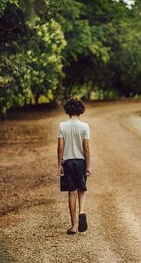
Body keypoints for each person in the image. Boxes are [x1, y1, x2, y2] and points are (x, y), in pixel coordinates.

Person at [57, 98, 91, 235]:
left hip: (68, 162)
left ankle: (73, 226)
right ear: (80, 111)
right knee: (81, 190)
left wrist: (59, 164)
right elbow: (87, 148)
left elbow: (60, 147)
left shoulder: (62, 126)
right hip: (81, 161)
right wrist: (88, 166)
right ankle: (81, 211)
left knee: (71, 193)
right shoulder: (85, 126)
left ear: (67, 111)